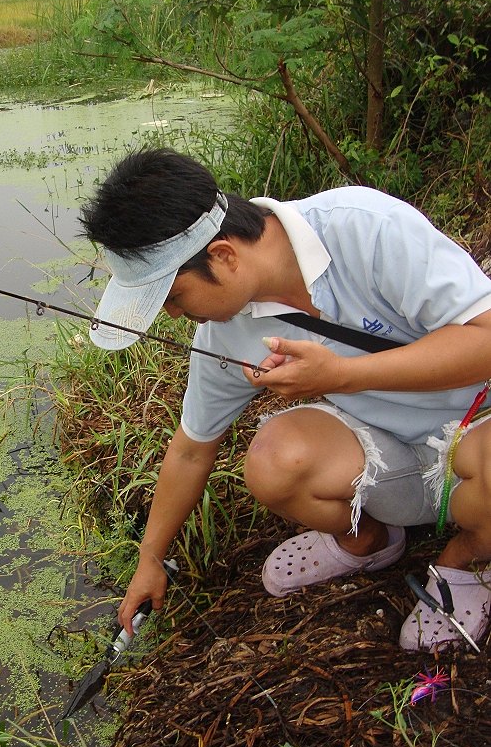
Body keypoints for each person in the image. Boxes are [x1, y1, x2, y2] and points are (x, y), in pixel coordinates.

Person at [79, 147, 491, 652]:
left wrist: (340, 375)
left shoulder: (364, 227)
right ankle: (368, 542)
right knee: (274, 461)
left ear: (223, 256)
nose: (172, 316)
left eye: (172, 298)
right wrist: (149, 556)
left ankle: (464, 559)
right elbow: (191, 447)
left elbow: (486, 340)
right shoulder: (224, 332)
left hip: (477, 425)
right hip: (394, 454)